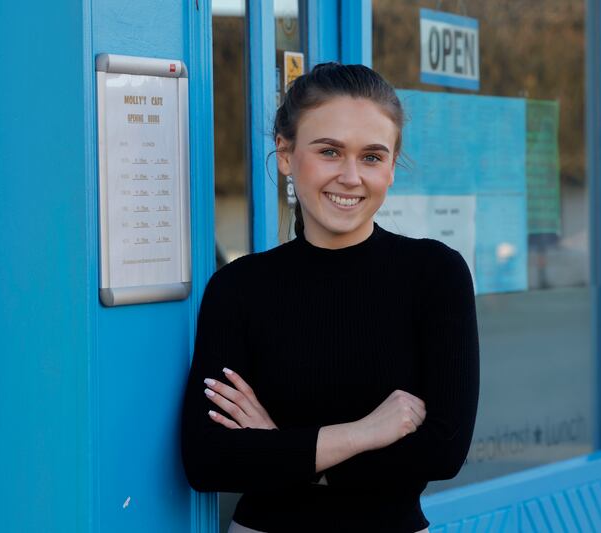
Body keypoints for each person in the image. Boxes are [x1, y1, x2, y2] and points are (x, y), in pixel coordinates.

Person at [181, 62, 479, 533]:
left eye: (372, 157)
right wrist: (364, 434)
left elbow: (443, 450)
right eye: (329, 151)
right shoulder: (239, 288)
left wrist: (282, 449)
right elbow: (208, 460)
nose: (351, 176)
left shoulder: (435, 275)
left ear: (392, 167)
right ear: (285, 152)